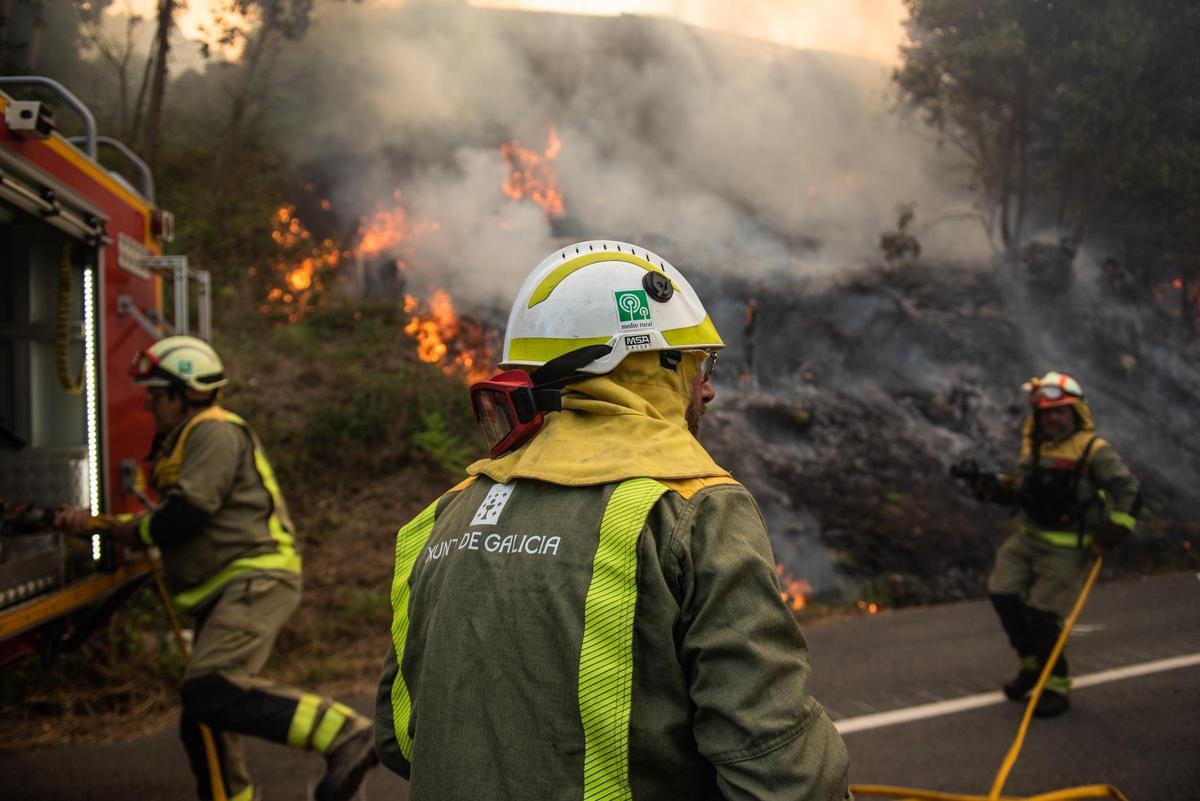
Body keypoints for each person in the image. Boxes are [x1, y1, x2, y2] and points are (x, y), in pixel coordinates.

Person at [375, 240, 850, 800]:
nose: (709, 387)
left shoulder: (447, 513)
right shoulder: (691, 509)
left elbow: (400, 737)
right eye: (700, 363)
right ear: (652, 362)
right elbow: (779, 771)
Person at [56, 335, 377, 801]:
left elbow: (184, 514)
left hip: (255, 578)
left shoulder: (214, 430)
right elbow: (172, 516)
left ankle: (346, 733)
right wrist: (100, 526)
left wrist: (112, 529)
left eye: (156, 394)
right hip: (228, 585)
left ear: (185, 391)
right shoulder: (188, 438)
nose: (149, 406)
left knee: (209, 689)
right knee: (203, 718)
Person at [959, 371, 1140, 718]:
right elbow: (1021, 489)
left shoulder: (1093, 450)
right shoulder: (1035, 447)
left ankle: (1056, 684)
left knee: (1043, 614)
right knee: (1003, 594)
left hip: (1068, 547)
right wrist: (988, 486)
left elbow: (1128, 490)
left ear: (1075, 412)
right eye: (1046, 412)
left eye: (1060, 411)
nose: (1053, 418)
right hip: (1028, 538)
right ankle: (1032, 666)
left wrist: (1114, 531)